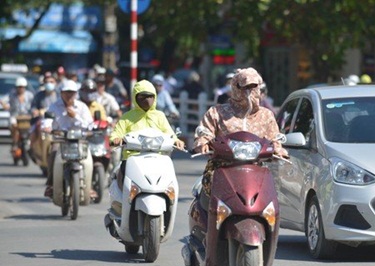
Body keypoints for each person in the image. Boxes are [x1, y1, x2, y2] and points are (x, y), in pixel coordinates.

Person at [193, 67, 288, 197]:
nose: (249, 91)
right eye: (244, 87)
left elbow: (275, 138)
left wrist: (278, 149)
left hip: (257, 167)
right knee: (208, 195)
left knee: (272, 198)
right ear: (235, 87)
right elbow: (205, 131)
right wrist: (203, 142)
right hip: (222, 166)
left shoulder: (266, 115)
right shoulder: (218, 112)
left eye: (253, 87)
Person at [109, 80, 185, 192]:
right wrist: (115, 139)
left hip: (157, 158)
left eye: (150, 96)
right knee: (124, 187)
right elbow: (117, 132)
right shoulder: (127, 117)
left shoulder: (160, 116)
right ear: (135, 97)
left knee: (169, 186)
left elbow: (169, 133)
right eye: (143, 97)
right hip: (132, 159)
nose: (147, 100)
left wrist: (176, 140)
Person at [44, 80, 94, 198]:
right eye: (66, 92)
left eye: (72, 93)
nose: (69, 95)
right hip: (61, 140)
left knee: (90, 160)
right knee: (53, 153)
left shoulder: (81, 107)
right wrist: (47, 126)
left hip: (79, 140)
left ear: (76, 93)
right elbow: (47, 119)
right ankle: (51, 184)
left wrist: (75, 116)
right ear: (61, 93)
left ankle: (89, 186)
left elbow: (89, 125)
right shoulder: (54, 106)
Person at [7, 77, 35, 151]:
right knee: (13, 124)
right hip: (15, 115)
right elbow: (8, 104)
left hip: (27, 116)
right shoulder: (12, 95)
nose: (20, 89)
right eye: (19, 87)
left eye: (22, 87)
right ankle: (15, 142)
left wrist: (34, 111)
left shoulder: (30, 95)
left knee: (32, 127)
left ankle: (29, 142)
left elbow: (33, 106)